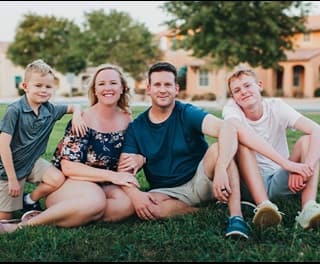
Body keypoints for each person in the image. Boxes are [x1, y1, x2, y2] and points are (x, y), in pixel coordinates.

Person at [117, 61, 312, 239]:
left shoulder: (186, 112)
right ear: (149, 88)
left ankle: (236, 217)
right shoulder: (137, 127)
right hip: (167, 190)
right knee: (151, 210)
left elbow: (226, 128)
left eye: (168, 85)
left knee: (220, 148)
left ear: (176, 89)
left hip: (202, 179)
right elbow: (124, 170)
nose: (162, 90)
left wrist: (221, 168)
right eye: (157, 85)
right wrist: (135, 195)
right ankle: (201, 211)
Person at [0, 63, 139, 234]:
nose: (107, 87)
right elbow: (68, 167)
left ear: (122, 87)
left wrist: (140, 159)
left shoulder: (128, 118)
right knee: (95, 201)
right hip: (71, 182)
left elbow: (133, 154)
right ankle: (22, 226)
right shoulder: (83, 119)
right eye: (101, 84)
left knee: (125, 206)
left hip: (104, 183)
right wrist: (114, 176)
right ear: (94, 90)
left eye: (113, 83)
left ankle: (72, 214)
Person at [222, 67, 320, 230]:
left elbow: (317, 129)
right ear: (233, 97)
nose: (243, 92)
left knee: (307, 140)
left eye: (247, 85)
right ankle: (264, 206)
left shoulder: (276, 106)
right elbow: (243, 134)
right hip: (249, 184)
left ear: (259, 85)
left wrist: (304, 169)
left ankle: (308, 207)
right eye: (237, 90)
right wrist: (287, 164)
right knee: (241, 141)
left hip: (280, 179)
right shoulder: (231, 109)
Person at [0, 59, 87, 221]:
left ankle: (29, 200)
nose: (43, 90)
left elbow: (75, 106)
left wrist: (76, 115)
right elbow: (3, 145)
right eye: (38, 85)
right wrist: (12, 179)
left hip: (32, 162)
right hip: (9, 168)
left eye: (48, 86)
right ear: (25, 87)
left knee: (57, 179)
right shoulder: (15, 110)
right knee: (5, 219)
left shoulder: (50, 109)